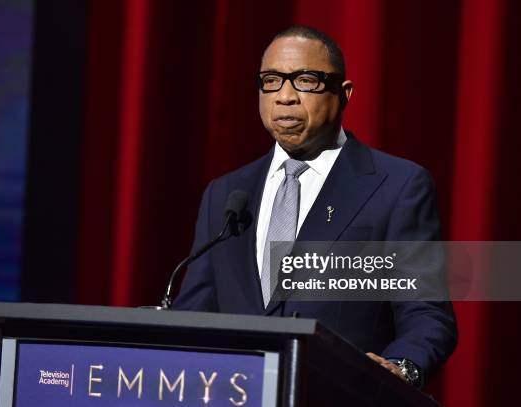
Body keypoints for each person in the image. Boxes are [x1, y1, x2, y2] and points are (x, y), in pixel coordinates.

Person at [173, 26, 457, 387]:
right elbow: (194, 313)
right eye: (271, 80)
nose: (285, 96)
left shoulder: (398, 186)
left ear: (345, 93)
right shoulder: (226, 193)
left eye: (306, 80)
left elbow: (427, 314)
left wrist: (401, 366)